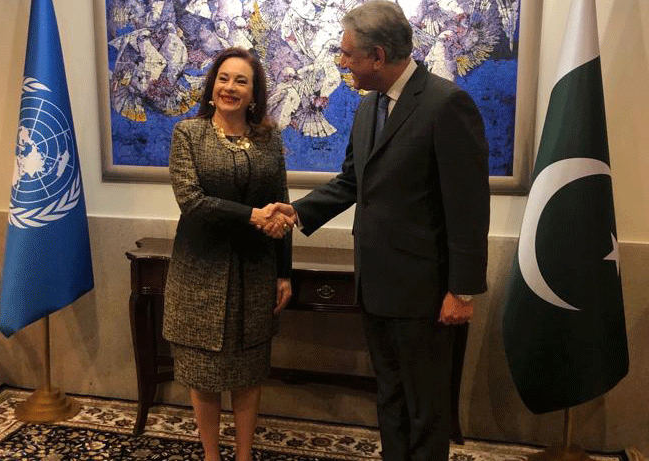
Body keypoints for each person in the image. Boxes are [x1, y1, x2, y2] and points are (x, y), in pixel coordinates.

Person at [267, 2, 490, 460]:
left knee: (426, 408)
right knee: (389, 399)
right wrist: (296, 211)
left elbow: (468, 208)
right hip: (375, 286)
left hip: (425, 295)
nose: (341, 62)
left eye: (348, 54)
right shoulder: (368, 108)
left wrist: (462, 291)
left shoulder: (447, 105)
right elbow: (354, 181)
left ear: (379, 56)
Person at [162, 47, 294, 461]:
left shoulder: (270, 140)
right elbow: (193, 201)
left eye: (240, 81)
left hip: (255, 273)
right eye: (223, 78)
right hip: (200, 273)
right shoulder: (189, 134)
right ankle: (211, 455)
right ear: (211, 86)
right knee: (203, 375)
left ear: (254, 94)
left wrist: (284, 272)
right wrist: (255, 216)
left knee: (249, 372)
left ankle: (243, 455)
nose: (229, 87)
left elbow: (283, 208)